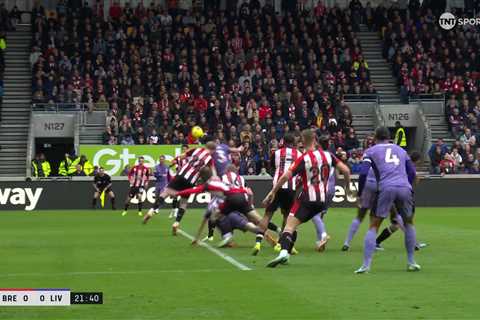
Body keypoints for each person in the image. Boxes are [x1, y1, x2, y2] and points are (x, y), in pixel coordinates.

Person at [263, 129, 353, 267]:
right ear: (315, 140)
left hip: (307, 198)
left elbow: (286, 176)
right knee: (306, 221)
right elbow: (346, 170)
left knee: (289, 226)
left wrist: (273, 191)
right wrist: (347, 188)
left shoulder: (304, 158)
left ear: (302, 141)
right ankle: (317, 238)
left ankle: (283, 254)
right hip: (322, 200)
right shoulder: (328, 156)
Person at [354, 127, 419, 274]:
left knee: (374, 225)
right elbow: (412, 172)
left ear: (375, 137)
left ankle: (366, 265)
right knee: (408, 223)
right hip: (404, 188)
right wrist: (407, 184)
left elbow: (363, 173)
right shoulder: (401, 150)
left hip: (386, 187)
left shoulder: (370, 151)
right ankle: (411, 262)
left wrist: (360, 193)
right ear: (389, 137)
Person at [143, 143, 215, 235]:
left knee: (166, 192)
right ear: (213, 150)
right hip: (192, 180)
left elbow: (181, 157)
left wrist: (178, 160)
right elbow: (211, 173)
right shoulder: (210, 160)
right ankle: (176, 223)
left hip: (182, 174)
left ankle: (151, 211)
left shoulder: (197, 150)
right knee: (184, 202)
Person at [254, 133, 300, 255]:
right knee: (287, 217)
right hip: (291, 187)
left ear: (283, 142)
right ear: (293, 142)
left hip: (277, 186)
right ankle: (281, 244)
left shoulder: (277, 153)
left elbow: (273, 168)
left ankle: (258, 242)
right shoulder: (299, 154)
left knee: (267, 215)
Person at [375, 151, 427, 250]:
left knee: (396, 225)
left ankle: (377, 242)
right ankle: (414, 244)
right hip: (404, 197)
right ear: (418, 160)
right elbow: (412, 182)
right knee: (407, 221)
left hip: (394, 195)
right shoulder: (411, 168)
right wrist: (416, 179)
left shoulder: (401, 165)